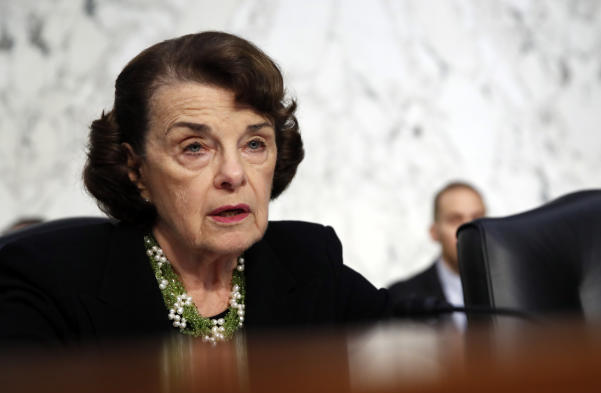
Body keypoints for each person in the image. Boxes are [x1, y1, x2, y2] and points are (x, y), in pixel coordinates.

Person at [0, 31, 389, 347]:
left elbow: (430, 349)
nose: (233, 174)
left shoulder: (309, 263)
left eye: (254, 143)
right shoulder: (49, 278)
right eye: (195, 148)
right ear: (136, 168)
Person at [388, 181, 486, 326]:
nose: (468, 230)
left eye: (477, 218)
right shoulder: (403, 296)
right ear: (434, 232)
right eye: (455, 220)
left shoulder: (514, 287)